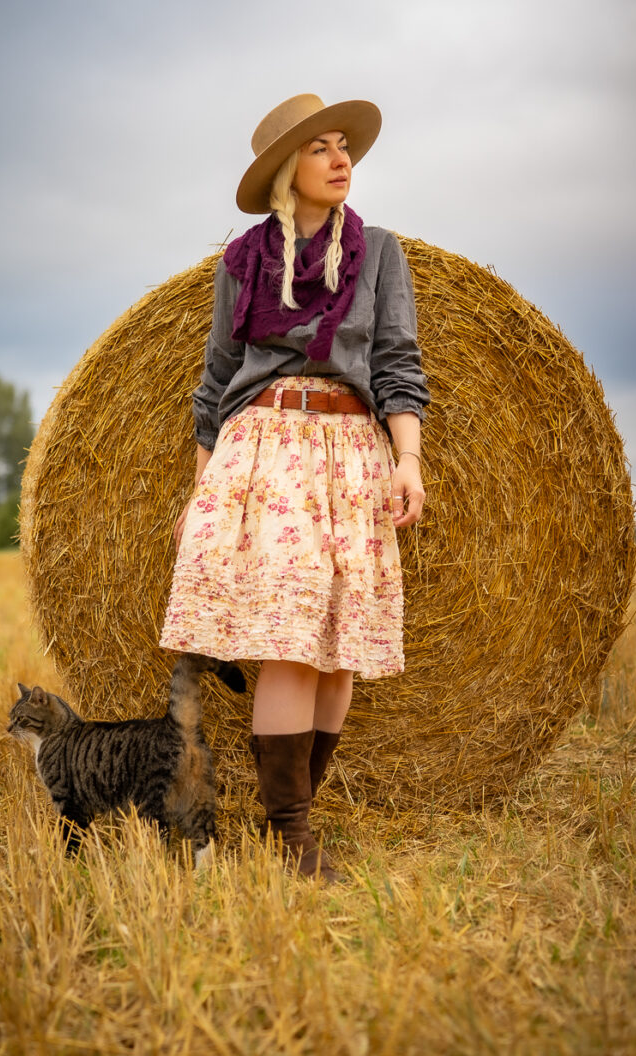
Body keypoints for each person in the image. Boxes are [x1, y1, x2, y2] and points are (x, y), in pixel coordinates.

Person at [160, 93, 429, 881]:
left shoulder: (379, 252)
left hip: (351, 452)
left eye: (345, 146)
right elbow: (216, 381)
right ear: (288, 170)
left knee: (339, 650)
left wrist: (407, 460)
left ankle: (291, 820)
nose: (342, 159)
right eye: (322, 148)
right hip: (265, 452)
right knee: (287, 643)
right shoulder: (241, 263)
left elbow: (397, 362)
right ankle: (294, 836)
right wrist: (198, 492)